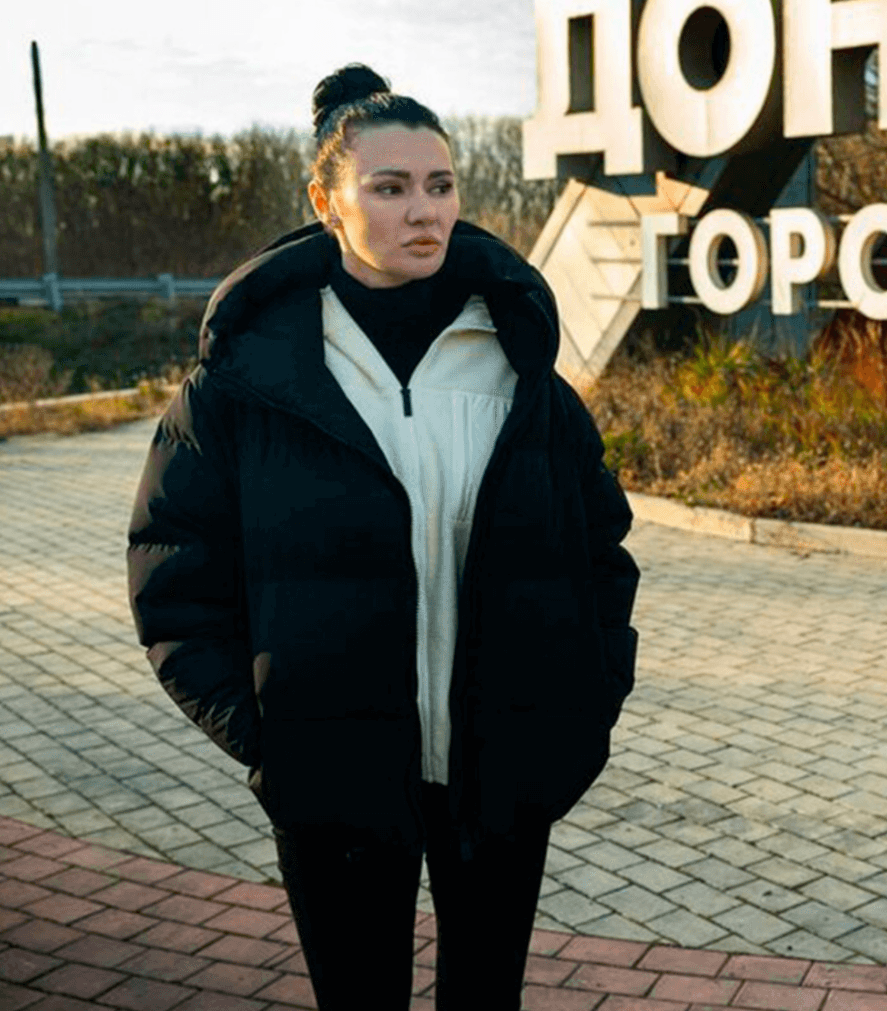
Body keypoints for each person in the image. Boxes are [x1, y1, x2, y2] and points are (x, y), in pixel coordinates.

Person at [127, 63, 639, 1010]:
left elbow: (601, 554)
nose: (424, 211)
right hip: (332, 778)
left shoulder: (520, 368)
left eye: (440, 185)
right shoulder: (247, 381)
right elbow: (174, 575)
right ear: (325, 201)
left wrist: (582, 712)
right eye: (390, 187)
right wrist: (269, 736)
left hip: (504, 772)